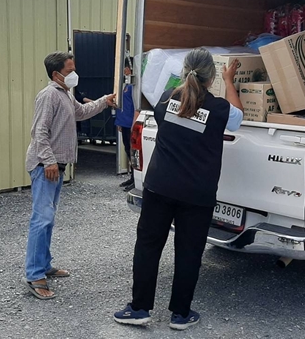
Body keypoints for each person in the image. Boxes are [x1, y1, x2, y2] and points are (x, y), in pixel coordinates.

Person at [113, 48, 243, 330]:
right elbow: (238, 117)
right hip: (197, 194)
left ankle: (139, 308)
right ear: (211, 78)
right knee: (189, 252)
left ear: (184, 72)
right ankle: (180, 315)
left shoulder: (164, 100)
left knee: (148, 247)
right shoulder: (220, 109)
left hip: (160, 187)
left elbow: (182, 114)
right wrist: (229, 81)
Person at [24, 51, 117, 300]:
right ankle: (34, 275)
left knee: (48, 219)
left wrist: (104, 101)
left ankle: (44, 265)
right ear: (56, 74)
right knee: (41, 219)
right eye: (70, 70)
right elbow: (39, 132)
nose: (74, 74)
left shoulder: (64, 93)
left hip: (55, 166)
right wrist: (49, 161)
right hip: (46, 167)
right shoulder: (48, 95)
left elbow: (81, 112)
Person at [116, 57, 138, 190]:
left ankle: (136, 179)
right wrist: (119, 122)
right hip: (124, 122)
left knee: (133, 151)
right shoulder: (125, 84)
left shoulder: (134, 86)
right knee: (127, 150)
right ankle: (132, 177)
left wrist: (134, 124)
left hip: (130, 123)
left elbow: (136, 106)